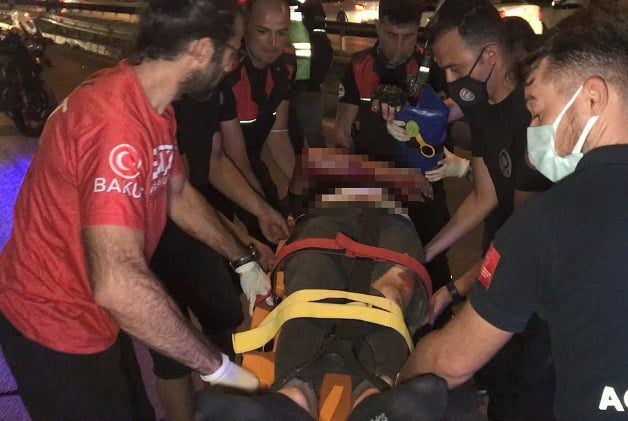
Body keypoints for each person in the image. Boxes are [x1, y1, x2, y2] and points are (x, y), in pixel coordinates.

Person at [401, 5, 628, 420]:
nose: (533, 131)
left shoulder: (546, 224)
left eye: (537, 111)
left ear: (592, 97)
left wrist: (391, 382)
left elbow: (449, 362)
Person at [0, 1, 264, 419]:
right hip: (51, 319)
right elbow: (117, 282)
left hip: (92, 310)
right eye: (233, 52)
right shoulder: (117, 125)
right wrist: (214, 366)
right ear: (200, 50)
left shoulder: (150, 103)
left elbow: (175, 191)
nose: (233, 65)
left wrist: (242, 260)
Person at [195, 148, 449, 421]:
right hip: (326, 213)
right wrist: (395, 176)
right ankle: (321, 398)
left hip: (391, 217)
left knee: (389, 296)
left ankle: (344, 400)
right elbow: (310, 163)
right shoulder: (337, 149)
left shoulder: (416, 153)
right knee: (310, 290)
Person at [409, 4, 552, 418]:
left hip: (536, 281)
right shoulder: (484, 105)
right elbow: (484, 196)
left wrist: (454, 291)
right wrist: (422, 256)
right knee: (497, 381)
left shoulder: (533, 118)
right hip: (497, 264)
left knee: (529, 393)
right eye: (444, 70)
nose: (451, 82)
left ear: (490, 55)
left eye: (456, 68)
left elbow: (521, 238)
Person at [148, 67, 291, 418]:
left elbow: (216, 160)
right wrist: (245, 246)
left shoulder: (215, 89)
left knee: (222, 325)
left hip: (195, 227)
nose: (232, 63)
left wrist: (262, 212)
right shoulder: (168, 98)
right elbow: (181, 196)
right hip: (156, 231)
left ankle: (223, 411)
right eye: (229, 52)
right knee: (172, 353)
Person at [334, 0, 453, 320]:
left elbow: (448, 124)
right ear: (377, 27)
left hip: (423, 184)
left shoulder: (433, 68)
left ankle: (437, 327)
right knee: (371, 261)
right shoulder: (359, 66)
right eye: (391, 35)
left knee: (432, 263)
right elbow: (342, 134)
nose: (399, 47)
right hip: (375, 183)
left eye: (408, 37)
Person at [219, 0, 298, 227]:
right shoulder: (229, 71)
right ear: (245, 28)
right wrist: (265, 211)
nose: (273, 44)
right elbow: (235, 159)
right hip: (214, 166)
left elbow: (278, 135)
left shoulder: (286, 65)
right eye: (263, 32)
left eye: (281, 33)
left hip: (249, 160)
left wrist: (307, 189)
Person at [290, 0, 333, 148]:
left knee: (296, 134)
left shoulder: (299, 32)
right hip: (314, 89)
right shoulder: (323, 38)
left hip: (298, 88)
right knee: (315, 136)